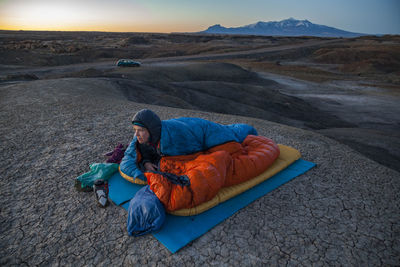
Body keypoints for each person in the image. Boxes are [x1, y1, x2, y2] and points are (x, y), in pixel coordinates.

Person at [120, 109, 258, 184]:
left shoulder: (175, 139)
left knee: (234, 134)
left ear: (151, 129)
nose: (137, 134)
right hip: (187, 126)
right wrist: (146, 162)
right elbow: (133, 157)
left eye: (140, 130)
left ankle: (249, 129)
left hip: (202, 130)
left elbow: (196, 155)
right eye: (135, 130)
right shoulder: (143, 137)